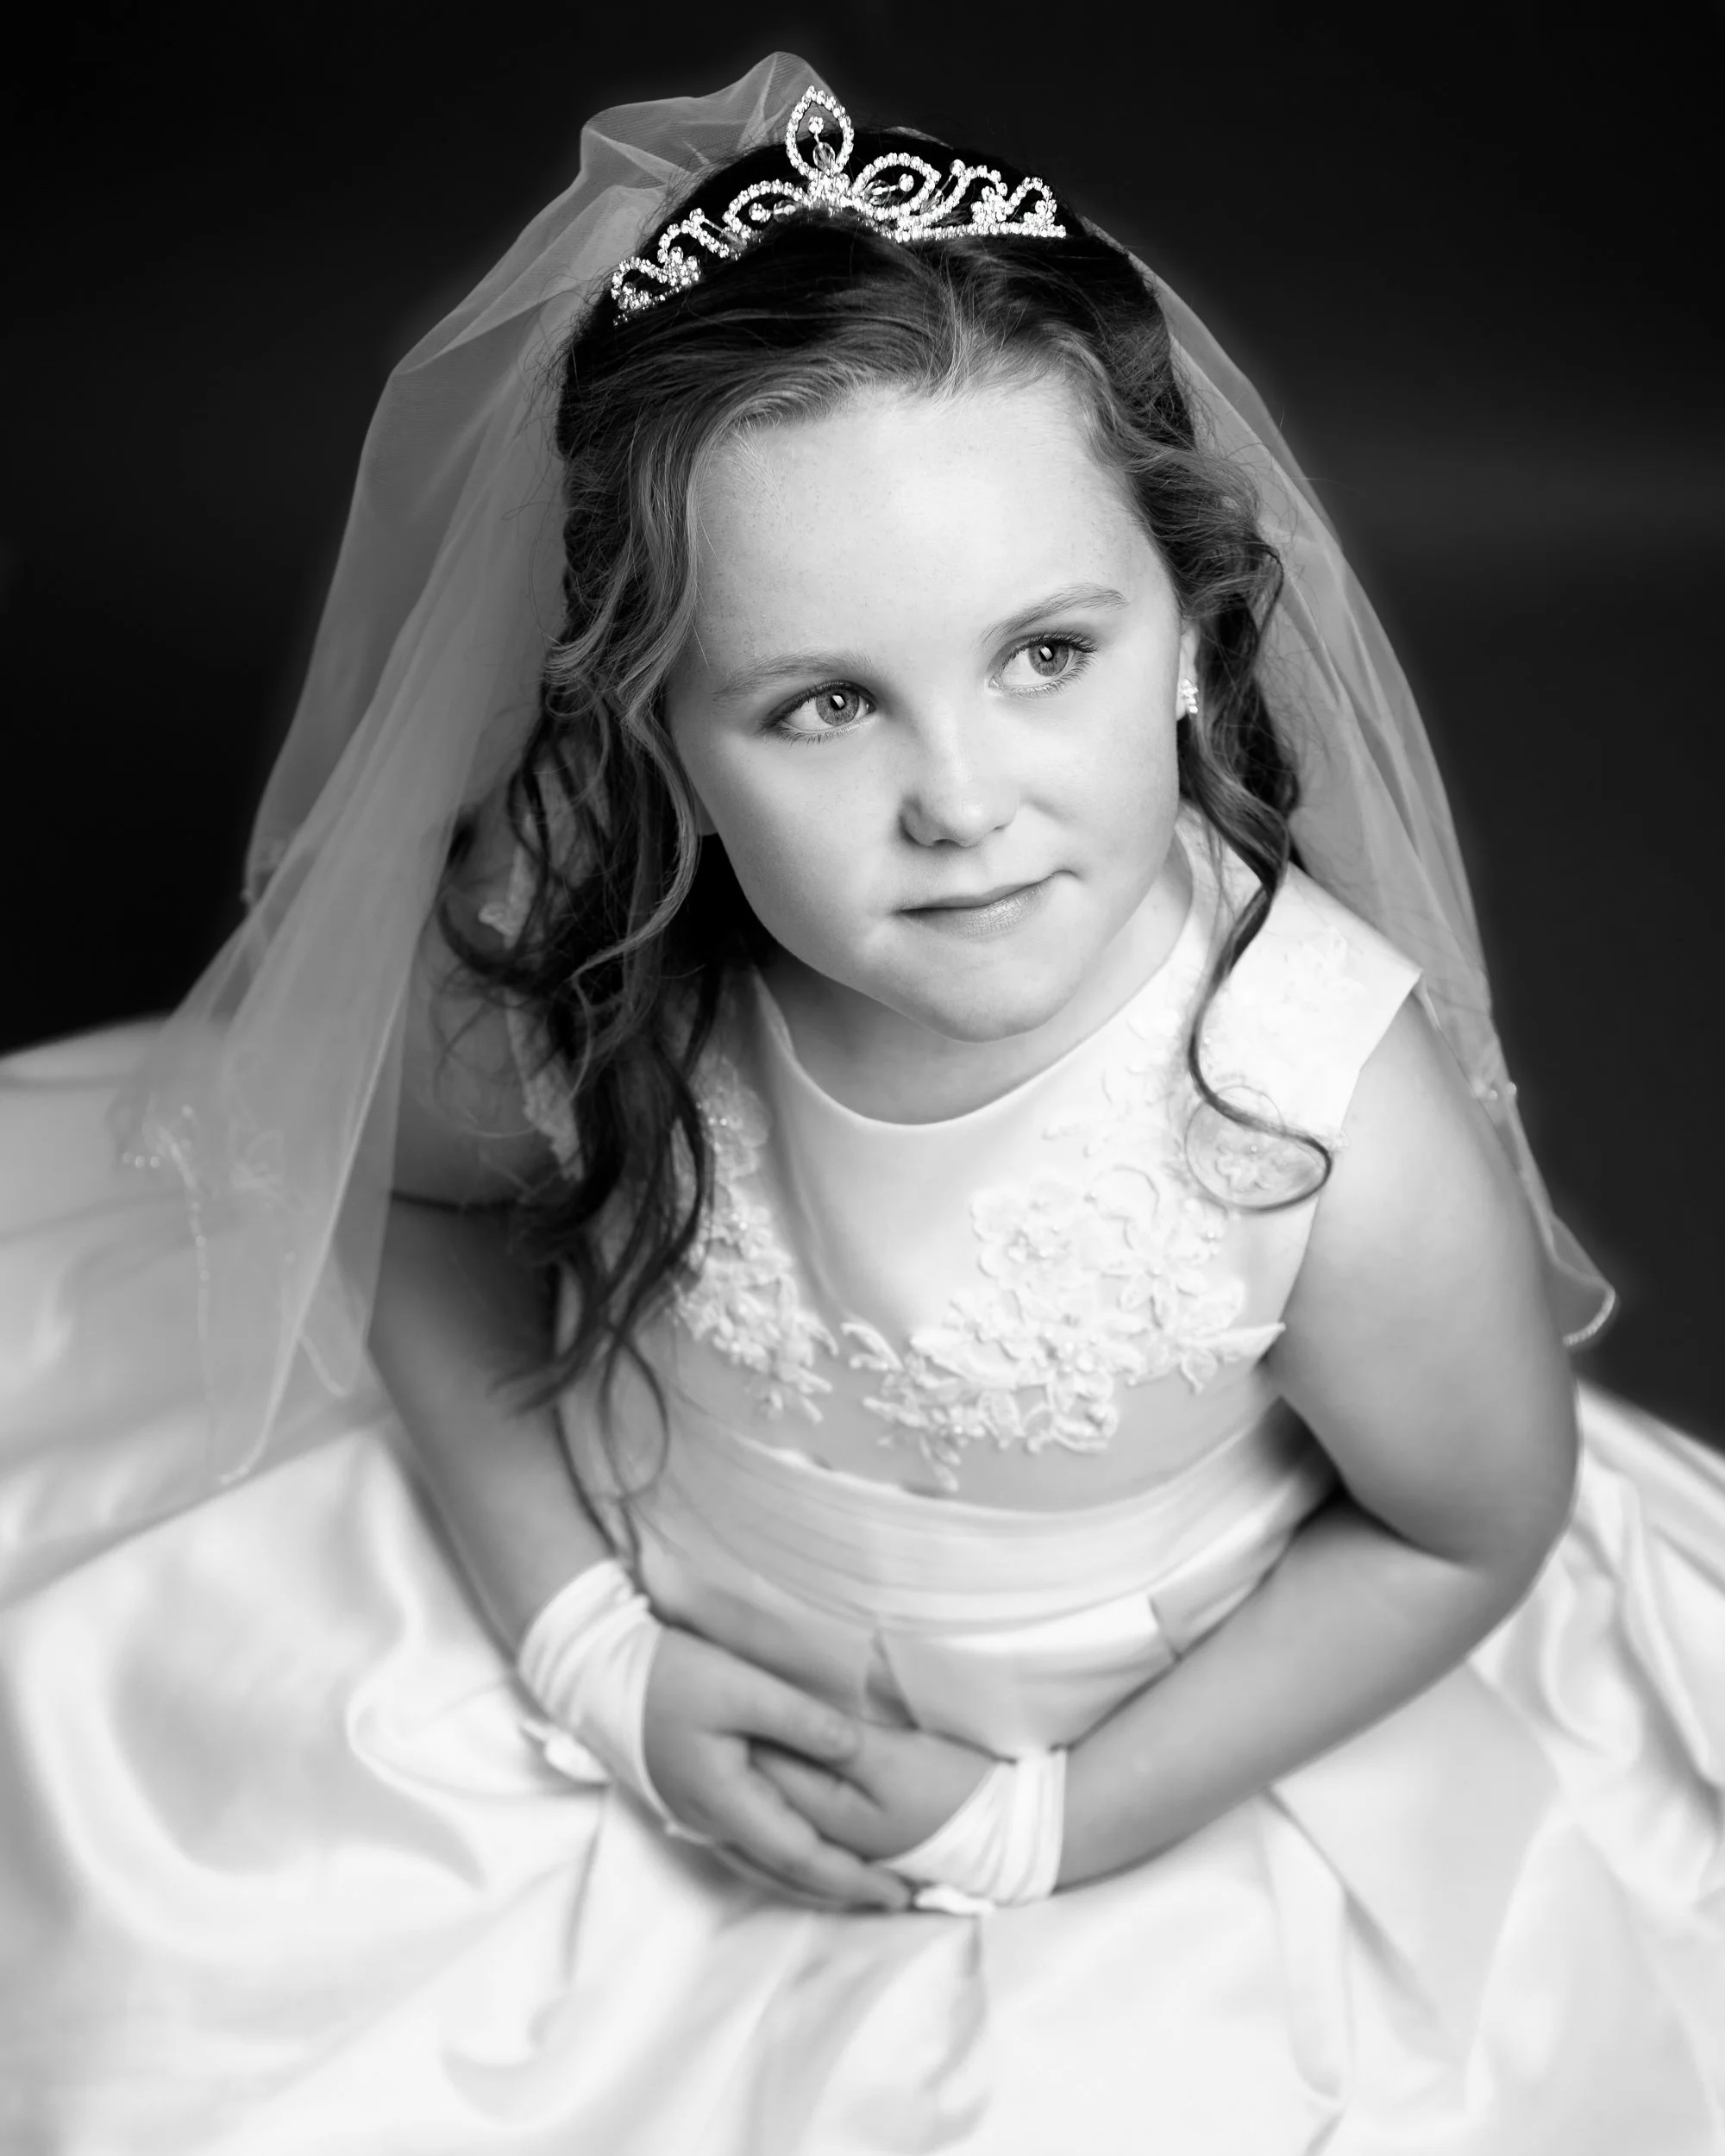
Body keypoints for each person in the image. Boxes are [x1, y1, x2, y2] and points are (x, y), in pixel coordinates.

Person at [1, 53, 1720, 2154]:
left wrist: (1049, 1825)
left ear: (1186, 632)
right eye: (822, 701)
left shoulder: (1318, 1128)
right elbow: (432, 1213)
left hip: (1113, 1767)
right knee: (156, 1907)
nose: (962, 800)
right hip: (615, 1586)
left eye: (1045, 654)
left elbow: (1465, 1526)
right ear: (659, 732)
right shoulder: (572, 901)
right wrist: (578, 1638)